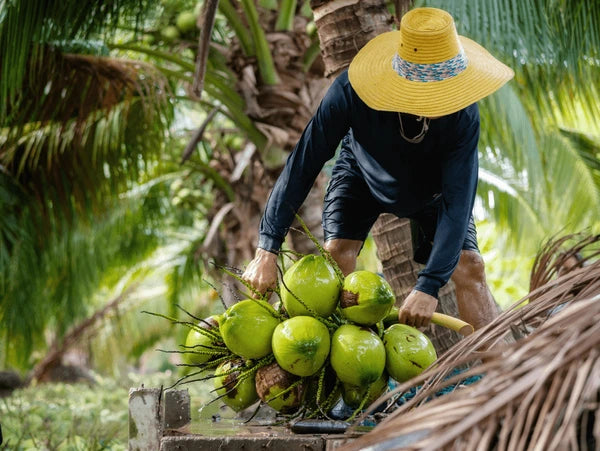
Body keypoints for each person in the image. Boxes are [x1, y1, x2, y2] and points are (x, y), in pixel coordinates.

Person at [242, 7, 514, 331]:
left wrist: (428, 286)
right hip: (362, 176)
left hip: (435, 189)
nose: (442, 99)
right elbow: (303, 164)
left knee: (471, 266)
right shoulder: (350, 91)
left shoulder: (463, 113)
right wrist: (267, 248)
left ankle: (503, 373)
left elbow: (459, 202)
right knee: (336, 256)